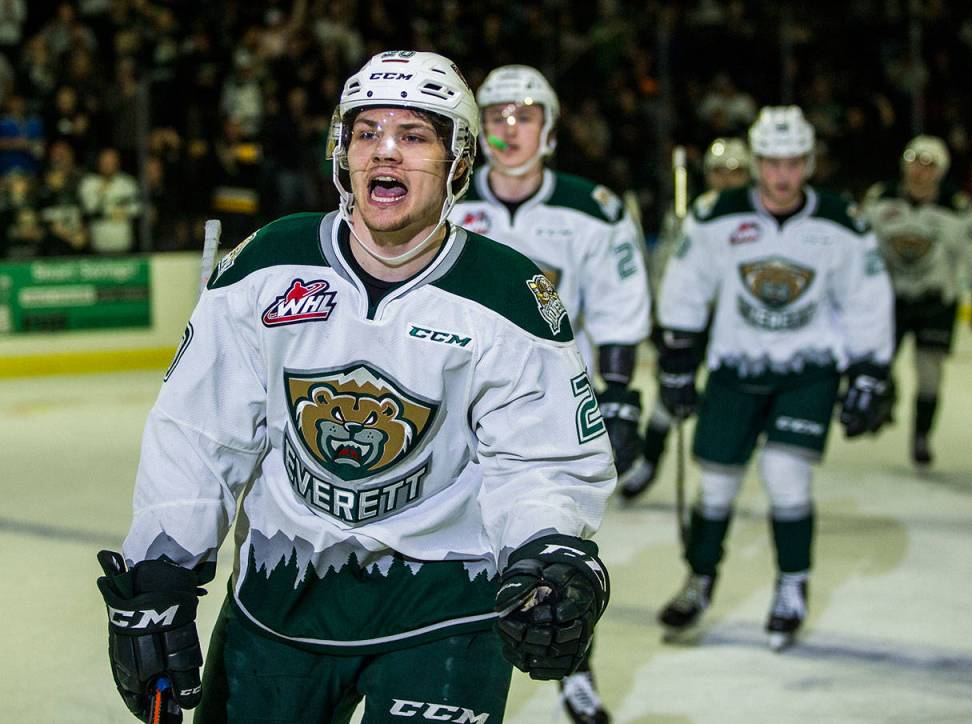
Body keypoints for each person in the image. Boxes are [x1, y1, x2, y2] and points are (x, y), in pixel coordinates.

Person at [95, 51, 615, 724]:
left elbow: (540, 458)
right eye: (367, 133)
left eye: (415, 135)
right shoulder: (266, 265)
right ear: (341, 152)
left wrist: (548, 547)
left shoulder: (507, 294)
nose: (385, 153)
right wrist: (161, 568)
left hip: (446, 605)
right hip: (284, 600)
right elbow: (199, 434)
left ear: (459, 162)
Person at [653, 106, 894, 651]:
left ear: (809, 162)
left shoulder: (840, 222)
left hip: (808, 371)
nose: (781, 176)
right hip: (736, 369)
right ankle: (701, 578)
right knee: (715, 482)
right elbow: (686, 286)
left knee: (787, 477)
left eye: (792, 162)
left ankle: (792, 584)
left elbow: (866, 299)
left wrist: (870, 369)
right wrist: (677, 359)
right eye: (771, 162)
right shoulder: (716, 216)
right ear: (756, 163)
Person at [452, 64, 651, 724]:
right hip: (452, 410)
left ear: (551, 129)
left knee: (553, 548)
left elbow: (620, 309)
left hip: (549, 413)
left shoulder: (592, 211)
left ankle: (573, 666)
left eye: (525, 116)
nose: (510, 128)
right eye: (498, 116)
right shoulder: (442, 203)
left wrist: (619, 394)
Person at [621, 136, 752, 499]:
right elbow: (666, 266)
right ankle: (649, 462)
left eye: (736, 172)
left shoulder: (757, 217)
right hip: (693, 322)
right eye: (719, 172)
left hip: (740, 324)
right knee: (669, 397)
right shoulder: (690, 215)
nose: (727, 180)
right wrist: (662, 313)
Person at [861, 136, 972, 467]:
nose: (919, 172)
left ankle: (921, 434)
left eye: (929, 165)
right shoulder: (880, 199)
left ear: (940, 171)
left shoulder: (957, 208)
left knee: (929, 375)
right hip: (890, 300)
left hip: (935, 302)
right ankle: (886, 394)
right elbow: (859, 246)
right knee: (876, 361)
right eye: (915, 162)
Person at [78, 147, 140, 253]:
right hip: (98, 246)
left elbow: (136, 208)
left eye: (111, 161)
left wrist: (123, 211)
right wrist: (101, 193)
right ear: (99, 162)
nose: (108, 165)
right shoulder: (89, 183)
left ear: (117, 162)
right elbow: (90, 209)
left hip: (123, 244)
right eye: (105, 161)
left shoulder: (128, 182)